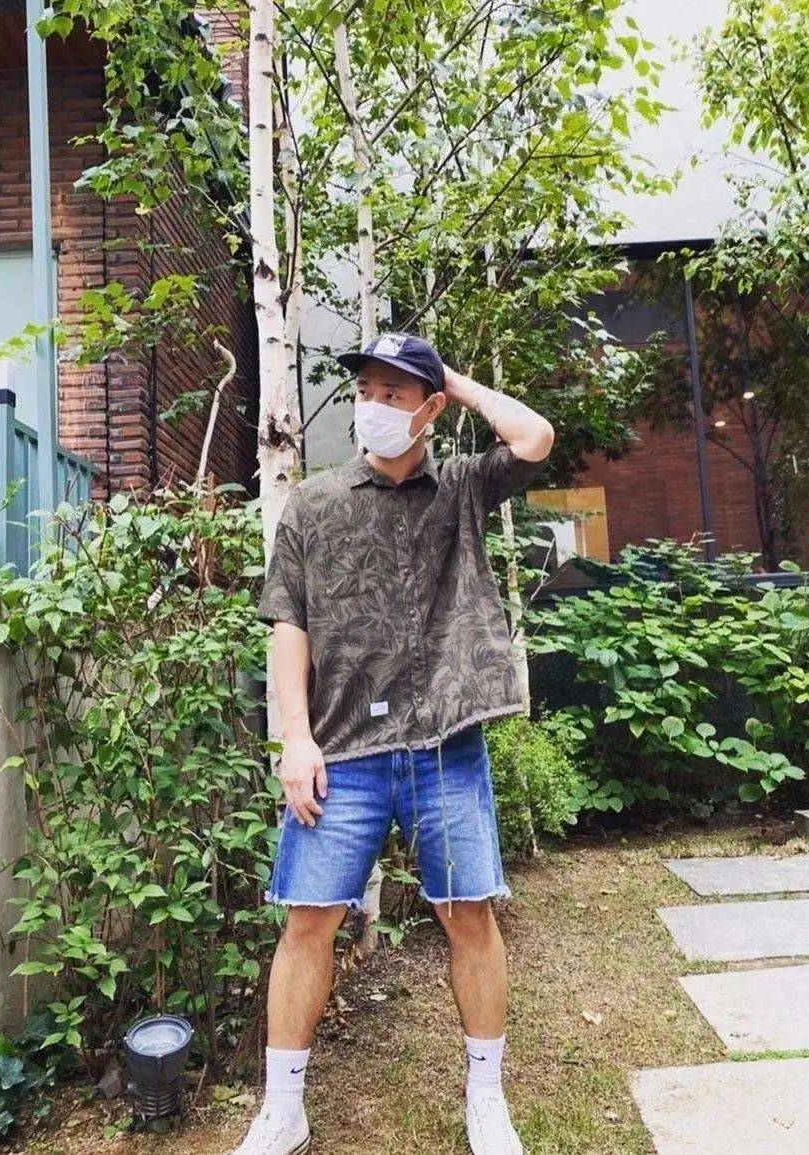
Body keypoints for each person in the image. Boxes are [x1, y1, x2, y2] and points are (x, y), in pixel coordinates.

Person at [230, 331, 555, 1155]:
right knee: (309, 919)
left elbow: (535, 437)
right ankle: (283, 1110)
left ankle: (487, 1099)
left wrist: (453, 380)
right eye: (364, 391)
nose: (371, 405)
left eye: (393, 392)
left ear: (429, 407)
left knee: (468, 914)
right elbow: (288, 625)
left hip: (445, 744)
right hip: (342, 752)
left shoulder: (463, 488)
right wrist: (295, 739)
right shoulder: (314, 504)